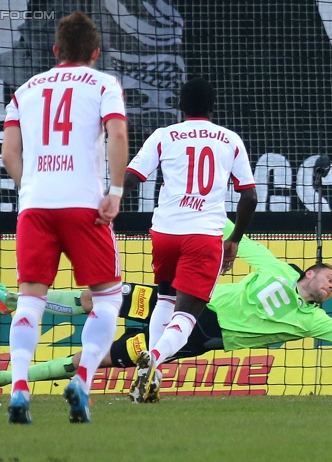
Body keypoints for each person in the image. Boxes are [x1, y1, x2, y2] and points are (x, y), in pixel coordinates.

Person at [0, 220, 332, 403]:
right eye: (329, 278)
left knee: (97, 361)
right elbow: (229, 233)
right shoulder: (273, 266)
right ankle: (13, 296)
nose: (331, 288)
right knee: (99, 296)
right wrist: (193, 214)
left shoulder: (313, 320)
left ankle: (2, 380)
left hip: (196, 336)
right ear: (309, 271)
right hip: (187, 299)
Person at [0, 11, 128, 424]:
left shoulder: (25, 90)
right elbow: (118, 134)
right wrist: (116, 192)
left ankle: (20, 387)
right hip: (82, 204)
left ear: (55, 50)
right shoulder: (104, 83)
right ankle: (84, 381)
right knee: (108, 298)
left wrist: (31, 188)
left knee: (30, 299)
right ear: (95, 51)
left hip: (35, 205)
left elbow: (8, 154)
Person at [121, 77, 258, 402]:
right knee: (187, 314)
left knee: (166, 298)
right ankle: (153, 358)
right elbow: (249, 197)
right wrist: (234, 239)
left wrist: (109, 206)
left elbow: (131, 178)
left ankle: (151, 381)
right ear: (213, 107)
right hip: (203, 234)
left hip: (165, 232)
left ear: (180, 106)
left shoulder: (164, 136)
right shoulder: (230, 139)